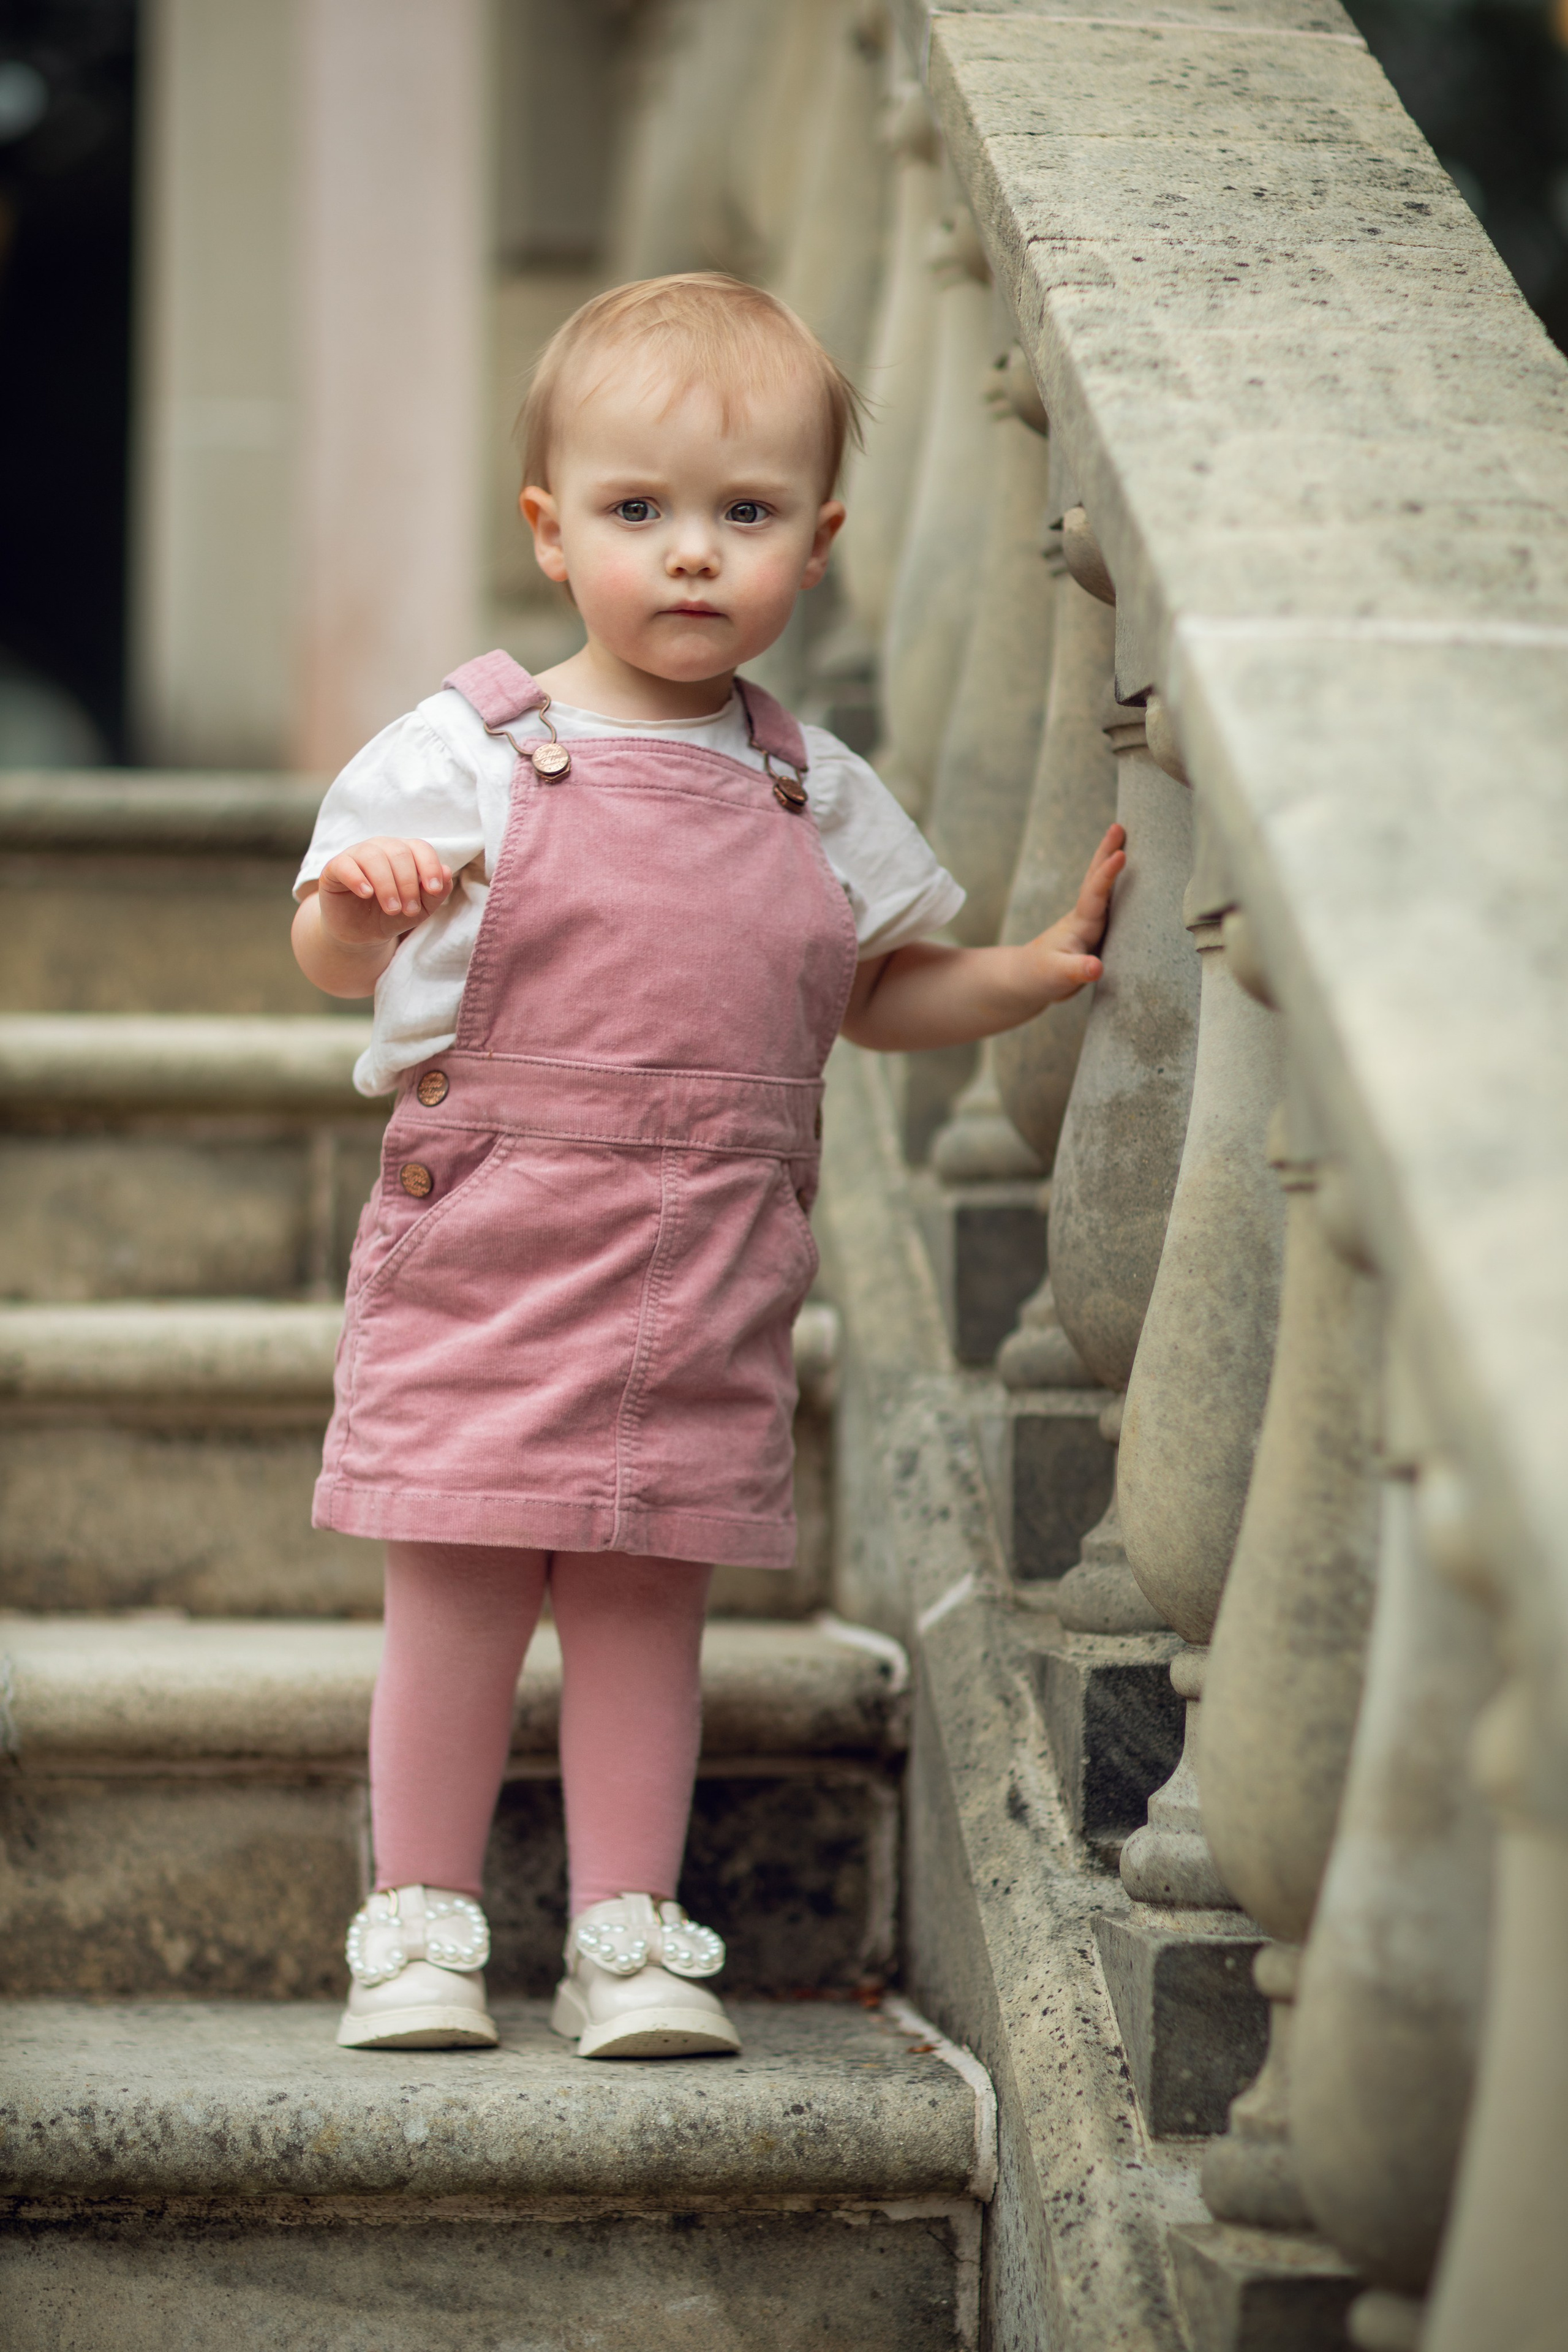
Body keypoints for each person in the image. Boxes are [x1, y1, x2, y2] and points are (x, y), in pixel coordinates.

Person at [292, 274, 1125, 2060]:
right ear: (550, 529)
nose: (690, 557)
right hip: (499, 1233)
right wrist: (358, 914)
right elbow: (331, 956)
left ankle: (628, 1930)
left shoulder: (804, 787)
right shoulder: (471, 747)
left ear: (814, 545)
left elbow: (875, 985)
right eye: (638, 513)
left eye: (742, 516)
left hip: (707, 1259)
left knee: (643, 1590)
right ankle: (417, 1924)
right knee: (452, 1574)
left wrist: (1031, 973)